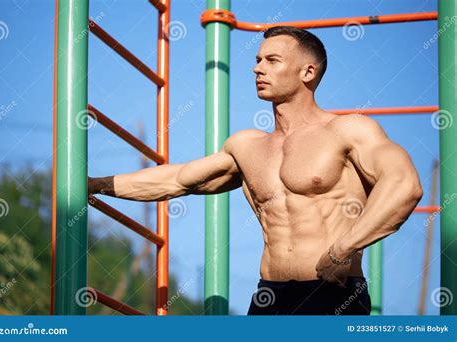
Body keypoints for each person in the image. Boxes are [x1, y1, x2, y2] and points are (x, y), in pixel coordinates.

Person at [88, 26, 423, 315]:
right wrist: (94, 184)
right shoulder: (247, 146)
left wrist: (343, 250)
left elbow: (404, 186)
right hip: (269, 297)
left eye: (272, 61)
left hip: (333, 293)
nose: (257, 69)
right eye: (257, 60)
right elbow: (177, 179)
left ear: (308, 72)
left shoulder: (349, 130)